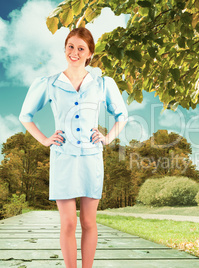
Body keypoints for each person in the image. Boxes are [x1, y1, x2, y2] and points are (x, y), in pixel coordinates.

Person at [19, 27, 128, 268]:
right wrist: (45, 139)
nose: (74, 52)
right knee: (68, 223)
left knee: (89, 222)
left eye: (81, 48)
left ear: (90, 54)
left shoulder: (103, 84)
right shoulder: (49, 84)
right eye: (70, 47)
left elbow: (123, 115)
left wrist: (107, 138)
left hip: (91, 158)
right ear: (64, 49)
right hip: (63, 158)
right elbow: (25, 115)